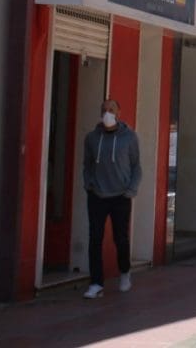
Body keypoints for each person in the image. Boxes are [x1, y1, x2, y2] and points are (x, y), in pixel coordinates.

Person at [82, 99, 141, 299]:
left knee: (120, 238)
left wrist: (131, 189)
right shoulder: (91, 138)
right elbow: (87, 164)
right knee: (95, 238)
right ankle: (96, 283)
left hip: (120, 196)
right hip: (97, 195)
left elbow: (136, 166)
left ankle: (124, 272)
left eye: (112, 110)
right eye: (104, 110)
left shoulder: (129, 137)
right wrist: (88, 184)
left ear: (119, 113)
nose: (108, 113)